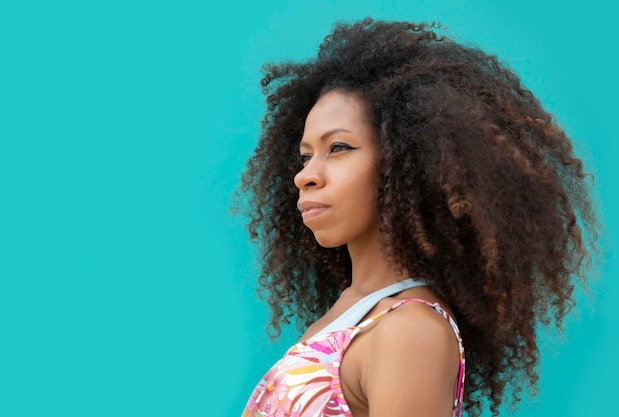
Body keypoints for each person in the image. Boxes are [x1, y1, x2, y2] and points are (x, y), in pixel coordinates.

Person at [236, 17, 599, 417]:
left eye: (338, 147)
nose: (305, 175)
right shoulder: (353, 311)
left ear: (405, 159)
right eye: (306, 156)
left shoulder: (409, 332)